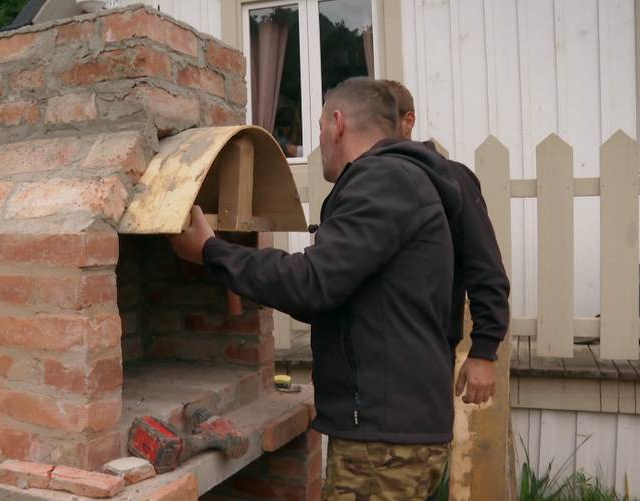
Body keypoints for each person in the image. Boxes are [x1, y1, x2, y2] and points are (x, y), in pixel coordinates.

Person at [170, 77, 462, 499]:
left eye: (321, 126)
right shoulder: (401, 181)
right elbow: (329, 295)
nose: (320, 139)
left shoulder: (381, 181)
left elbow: (313, 283)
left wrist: (212, 252)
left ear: (337, 123)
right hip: (398, 428)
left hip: (384, 443)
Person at [380, 80, 510, 406]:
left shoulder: (451, 180)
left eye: (382, 120)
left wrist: (484, 350)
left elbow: (486, 270)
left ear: (408, 121)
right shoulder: (360, 183)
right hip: (366, 367)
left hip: (425, 357)